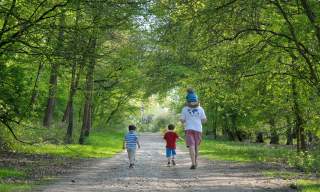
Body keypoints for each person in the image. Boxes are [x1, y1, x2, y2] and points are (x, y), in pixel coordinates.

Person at [180, 88, 207, 169]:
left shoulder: (184, 109)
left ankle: (193, 163)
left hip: (188, 129)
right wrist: (199, 121)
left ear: (187, 101)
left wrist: (183, 121)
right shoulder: (200, 108)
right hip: (198, 129)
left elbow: (182, 120)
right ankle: (195, 161)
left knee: (191, 146)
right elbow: (204, 120)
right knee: (196, 146)